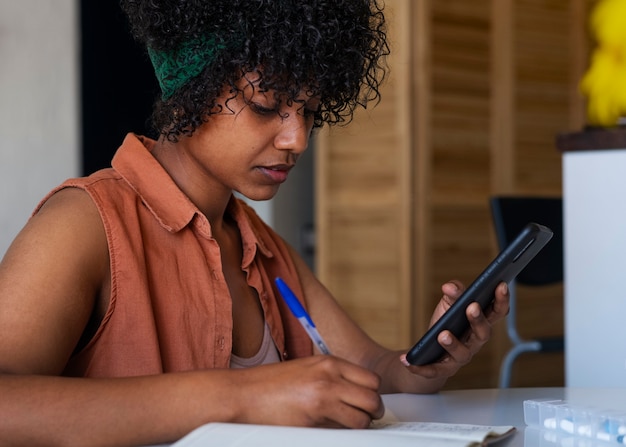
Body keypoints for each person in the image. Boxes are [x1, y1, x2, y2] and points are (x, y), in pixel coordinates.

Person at [0, 0, 510, 446]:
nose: (298, 140)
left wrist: (427, 365)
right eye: (267, 104)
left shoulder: (261, 247)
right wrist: (242, 395)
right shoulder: (85, 223)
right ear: (190, 89)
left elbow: (373, 371)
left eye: (309, 112)